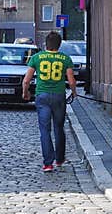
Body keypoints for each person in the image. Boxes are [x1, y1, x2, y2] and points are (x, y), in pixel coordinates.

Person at [22, 32, 78, 172]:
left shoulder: (36, 58)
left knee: (44, 130)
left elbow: (26, 80)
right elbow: (71, 81)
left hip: (42, 96)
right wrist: (74, 92)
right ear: (59, 44)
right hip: (59, 96)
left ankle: (48, 163)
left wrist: (25, 92)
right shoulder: (65, 59)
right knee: (59, 128)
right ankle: (59, 159)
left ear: (46, 44)